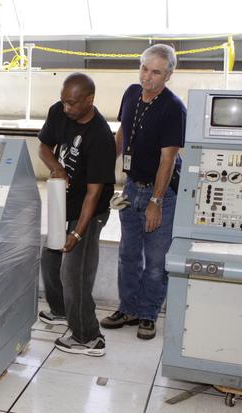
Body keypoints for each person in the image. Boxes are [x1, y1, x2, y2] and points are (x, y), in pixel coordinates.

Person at [100, 44, 186, 340]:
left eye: (156, 72)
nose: (147, 77)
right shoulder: (131, 93)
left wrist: (156, 203)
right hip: (131, 187)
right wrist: (105, 168)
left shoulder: (173, 109)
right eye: (144, 69)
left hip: (161, 194)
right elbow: (123, 132)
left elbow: (168, 160)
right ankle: (128, 309)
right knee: (128, 254)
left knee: (156, 261)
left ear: (169, 75)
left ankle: (148, 314)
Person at [38, 73, 116, 357]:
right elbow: (43, 147)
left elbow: (93, 195)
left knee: (75, 274)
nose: (66, 108)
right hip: (65, 200)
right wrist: (57, 168)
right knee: (50, 258)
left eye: (72, 103)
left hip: (89, 211)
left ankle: (88, 337)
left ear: (89, 100)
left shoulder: (100, 137)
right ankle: (61, 311)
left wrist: (77, 233)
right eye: (64, 101)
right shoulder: (59, 111)